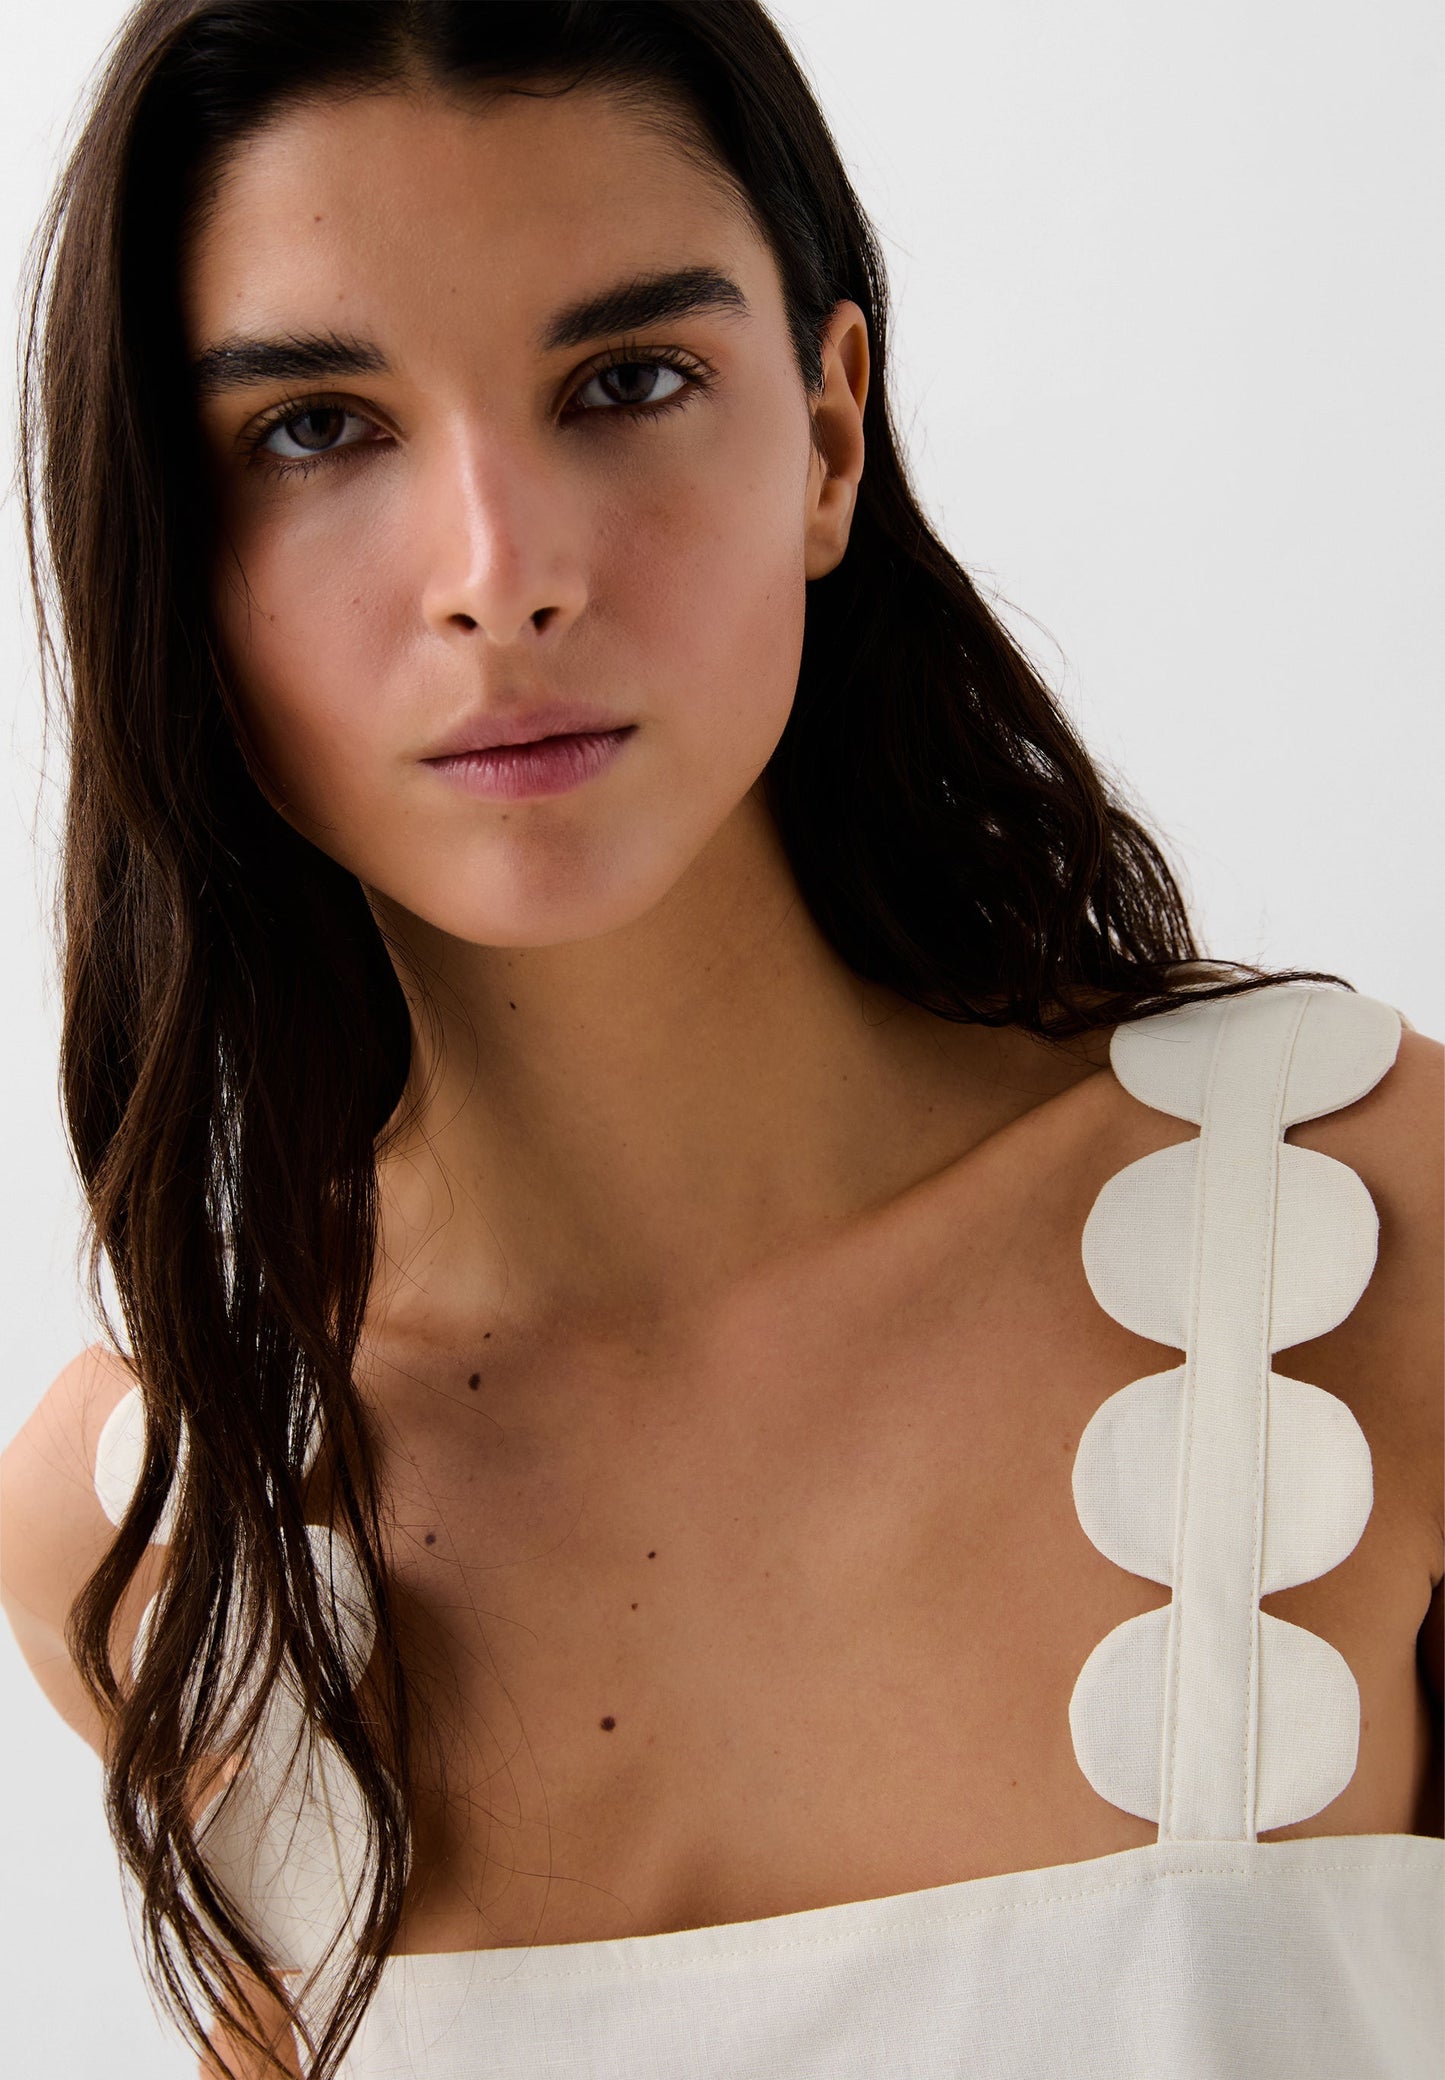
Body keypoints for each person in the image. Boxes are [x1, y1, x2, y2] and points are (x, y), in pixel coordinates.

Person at [1, 3, 1439, 2077]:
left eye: (626, 382)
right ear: (169, 536)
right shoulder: (164, 1526)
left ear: (830, 435)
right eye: (317, 427)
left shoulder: (1374, 1250)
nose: (502, 575)